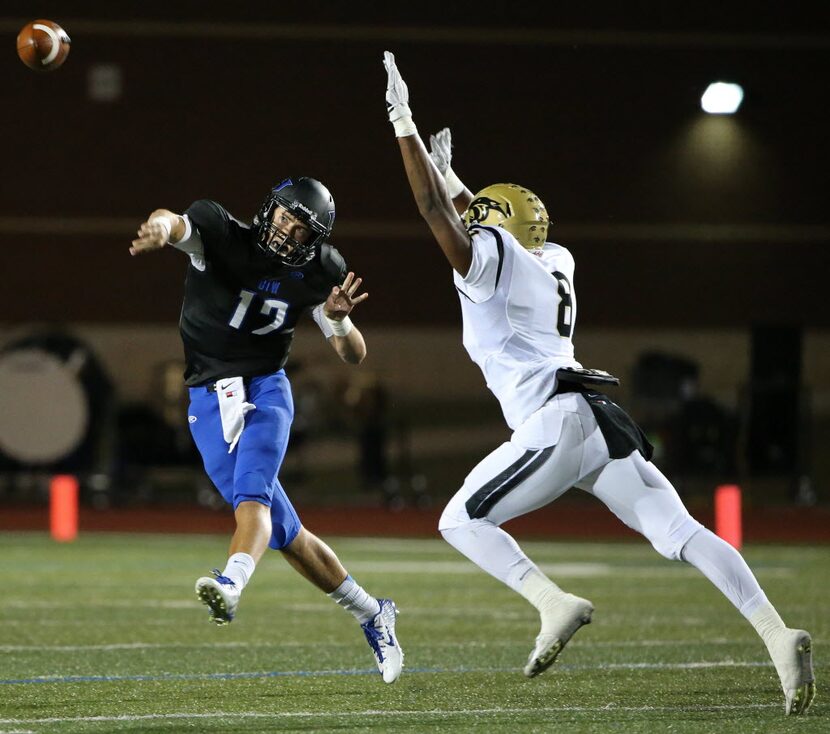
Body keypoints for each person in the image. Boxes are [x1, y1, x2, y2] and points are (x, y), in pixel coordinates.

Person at [382, 51, 814, 713]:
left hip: (552, 421)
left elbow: (434, 214)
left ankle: (553, 602)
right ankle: (776, 632)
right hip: (597, 416)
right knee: (682, 530)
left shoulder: (492, 257)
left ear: (496, 230)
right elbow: (474, 213)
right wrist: (458, 180)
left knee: (459, 519)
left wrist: (403, 123)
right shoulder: (556, 259)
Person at [130, 177, 403, 683]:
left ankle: (231, 584)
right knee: (287, 534)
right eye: (284, 218)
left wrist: (340, 323)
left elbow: (353, 354)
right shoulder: (221, 233)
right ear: (268, 210)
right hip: (207, 398)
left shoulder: (322, 271)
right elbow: (178, 222)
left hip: (264, 389)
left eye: (302, 230)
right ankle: (371, 611)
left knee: (250, 500)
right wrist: (159, 227)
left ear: (314, 240)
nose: (287, 233)